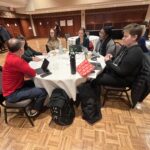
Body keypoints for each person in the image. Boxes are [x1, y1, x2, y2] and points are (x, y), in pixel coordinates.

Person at [2, 38, 48, 117]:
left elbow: (26, 73)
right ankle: (35, 110)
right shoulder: (17, 61)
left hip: (14, 88)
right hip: (12, 94)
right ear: (20, 50)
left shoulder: (10, 55)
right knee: (43, 91)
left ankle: (34, 101)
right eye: (23, 47)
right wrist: (42, 70)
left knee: (34, 82)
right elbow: (32, 73)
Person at [92, 23, 143, 92]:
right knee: (93, 67)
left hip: (122, 79)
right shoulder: (126, 46)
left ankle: (93, 99)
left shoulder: (136, 52)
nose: (122, 38)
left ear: (134, 37)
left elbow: (122, 72)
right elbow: (118, 60)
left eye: (125, 36)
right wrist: (111, 57)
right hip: (115, 72)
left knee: (93, 78)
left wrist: (108, 61)